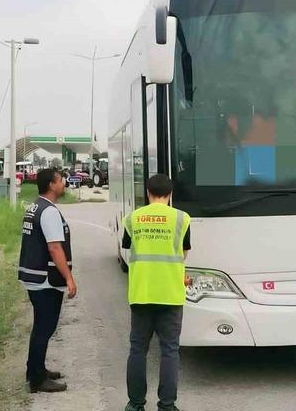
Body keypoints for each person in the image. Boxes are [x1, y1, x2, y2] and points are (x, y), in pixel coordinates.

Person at [122, 174, 191, 411]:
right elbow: (183, 253)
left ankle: (135, 404)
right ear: (170, 195)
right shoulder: (181, 218)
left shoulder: (133, 218)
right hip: (171, 295)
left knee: (138, 350)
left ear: (148, 193)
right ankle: (167, 405)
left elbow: (128, 248)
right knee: (170, 350)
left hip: (141, 294)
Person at [17, 168, 77, 393]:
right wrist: (69, 278)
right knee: (45, 327)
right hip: (45, 279)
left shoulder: (35, 206)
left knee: (41, 326)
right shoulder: (49, 211)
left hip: (34, 276)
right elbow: (54, 247)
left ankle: (35, 369)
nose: (64, 183)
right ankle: (37, 379)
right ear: (52, 184)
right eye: (61, 180)